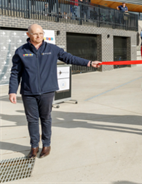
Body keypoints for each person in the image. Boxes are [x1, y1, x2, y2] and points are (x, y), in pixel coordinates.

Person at [8, 24, 101, 159]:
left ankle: (46, 145)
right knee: (32, 120)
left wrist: (89, 62)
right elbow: (15, 72)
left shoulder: (52, 49)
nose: (38, 36)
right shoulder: (21, 51)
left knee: (46, 118)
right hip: (29, 92)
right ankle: (34, 146)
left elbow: (70, 58)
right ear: (28, 35)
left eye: (41, 33)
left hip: (47, 91)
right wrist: (12, 91)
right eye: (35, 34)